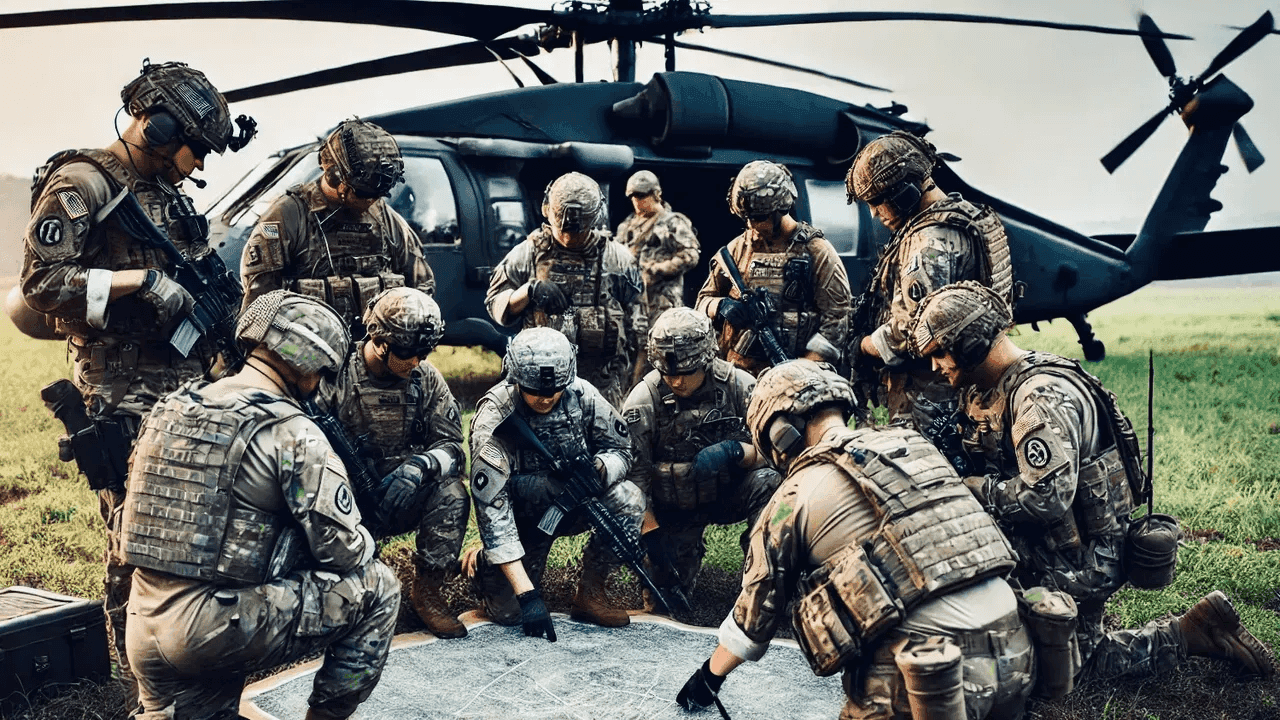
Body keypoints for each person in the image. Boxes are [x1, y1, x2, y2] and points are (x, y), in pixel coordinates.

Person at [906, 281, 1277, 686]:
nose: (935, 366)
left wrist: (974, 488)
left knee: (1056, 671)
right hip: (1054, 545)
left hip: (1080, 559)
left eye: (939, 353)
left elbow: (1045, 497)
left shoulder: (1038, 397)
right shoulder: (1001, 384)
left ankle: (1193, 633)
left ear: (970, 343)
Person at [20, 59, 250, 710]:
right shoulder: (81, 183)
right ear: (159, 125)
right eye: (194, 146)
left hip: (183, 382)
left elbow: (205, 283)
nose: (198, 164)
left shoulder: (170, 197)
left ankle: (181, 658)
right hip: (117, 384)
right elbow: (42, 284)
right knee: (136, 532)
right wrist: (138, 284)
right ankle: (142, 682)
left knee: (195, 526)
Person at [677, 360, 1033, 720]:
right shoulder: (913, 444)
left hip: (933, 676)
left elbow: (752, 623)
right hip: (1012, 658)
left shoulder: (791, 499)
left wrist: (709, 677)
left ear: (779, 432)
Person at [120, 291, 399, 720]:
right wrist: (363, 537)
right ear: (313, 363)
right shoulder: (293, 432)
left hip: (143, 622)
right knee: (379, 586)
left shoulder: (173, 406)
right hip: (213, 629)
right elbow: (341, 552)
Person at [845, 131, 1013, 459]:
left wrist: (861, 345)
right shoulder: (966, 216)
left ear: (906, 193)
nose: (875, 214)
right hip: (967, 384)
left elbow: (910, 334)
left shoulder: (931, 244)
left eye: (878, 201)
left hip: (932, 393)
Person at [464, 327, 641, 637]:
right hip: (522, 521)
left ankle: (591, 592)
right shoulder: (494, 416)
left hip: (575, 504)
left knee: (628, 497)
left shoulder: (583, 394)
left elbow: (623, 449)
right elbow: (493, 508)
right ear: (516, 378)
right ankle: (484, 562)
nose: (545, 398)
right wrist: (527, 595)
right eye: (534, 390)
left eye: (554, 390)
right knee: (510, 614)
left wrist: (599, 469)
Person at [314, 286, 469, 638]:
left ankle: (428, 592)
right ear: (379, 341)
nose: (417, 361)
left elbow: (453, 448)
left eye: (424, 352)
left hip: (403, 498)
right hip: (342, 504)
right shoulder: (335, 375)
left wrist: (419, 468)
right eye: (409, 352)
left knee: (452, 492)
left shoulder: (425, 378)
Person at [620, 307, 779, 613]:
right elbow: (634, 485)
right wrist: (654, 546)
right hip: (673, 508)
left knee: (770, 483)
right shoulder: (645, 400)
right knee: (664, 601)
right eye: (668, 373)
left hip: (727, 494)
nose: (676, 381)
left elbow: (777, 456)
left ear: (706, 360)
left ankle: (766, 576)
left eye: (685, 372)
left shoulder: (741, 387)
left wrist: (736, 451)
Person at [240, 118, 434, 336]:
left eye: (378, 195)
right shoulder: (289, 215)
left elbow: (421, 286)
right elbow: (258, 300)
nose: (371, 202)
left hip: (373, 353)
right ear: (334, 176)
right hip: (303, 352)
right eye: (362, 193)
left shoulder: (386, 220)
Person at [484, 171, 648, 408]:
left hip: (602, 384)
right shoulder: (528, 253)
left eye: (577, 231)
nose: (569, 238)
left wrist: (634, 382)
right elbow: (494, 301)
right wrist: (528, 291)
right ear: (547, 211)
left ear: (594, 219)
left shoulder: (617, 259)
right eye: (563, 230)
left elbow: (639, 324)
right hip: (540, 386)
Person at [695, 160, 850, 376]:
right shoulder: (737, 249)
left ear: (781, 209)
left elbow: (837, 319)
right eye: (745, 218)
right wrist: (720, 306)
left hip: (796, 374)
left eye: (758, 218)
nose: (750, 225)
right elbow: (701, 303)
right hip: (736, 375)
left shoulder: (817, 251)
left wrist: (803, 369)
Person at [614, 170, 700, 326]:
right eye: (633, 197)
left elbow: (690, 255)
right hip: (631, 305)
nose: (637, 201)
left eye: (641, 196)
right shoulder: (627, 226)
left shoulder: (672, 222)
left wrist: (658, 268)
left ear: (656, 194)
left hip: (662, 301)